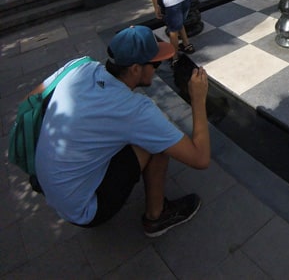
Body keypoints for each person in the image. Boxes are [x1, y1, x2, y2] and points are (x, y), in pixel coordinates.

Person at [34, 26, 210, 236]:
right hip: (83, 209)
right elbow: (200, 159)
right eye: (155, 63)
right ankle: (156, 216)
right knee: (157, 142)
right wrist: (198, 99)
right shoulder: (135, 110)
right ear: (136, 69)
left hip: (50, 185)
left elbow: (33, 98)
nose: (157, 68)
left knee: (144, 133)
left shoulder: (80, 67)